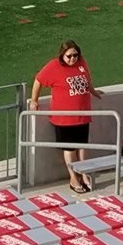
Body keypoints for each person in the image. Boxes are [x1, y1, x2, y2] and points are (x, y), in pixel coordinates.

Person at [31, 39, 100, 192]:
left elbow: (87, 82)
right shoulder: (53, 66)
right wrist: (34, 100)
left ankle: (84, 175)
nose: (72, 59)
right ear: (62, 55)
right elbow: (38, 81)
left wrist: (94, 92)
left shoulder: (82, 63)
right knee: (69, 149)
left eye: (75, 55)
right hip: (64, 118)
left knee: (82, 147)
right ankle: (73, 178)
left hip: (82, 115)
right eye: (69, 56)